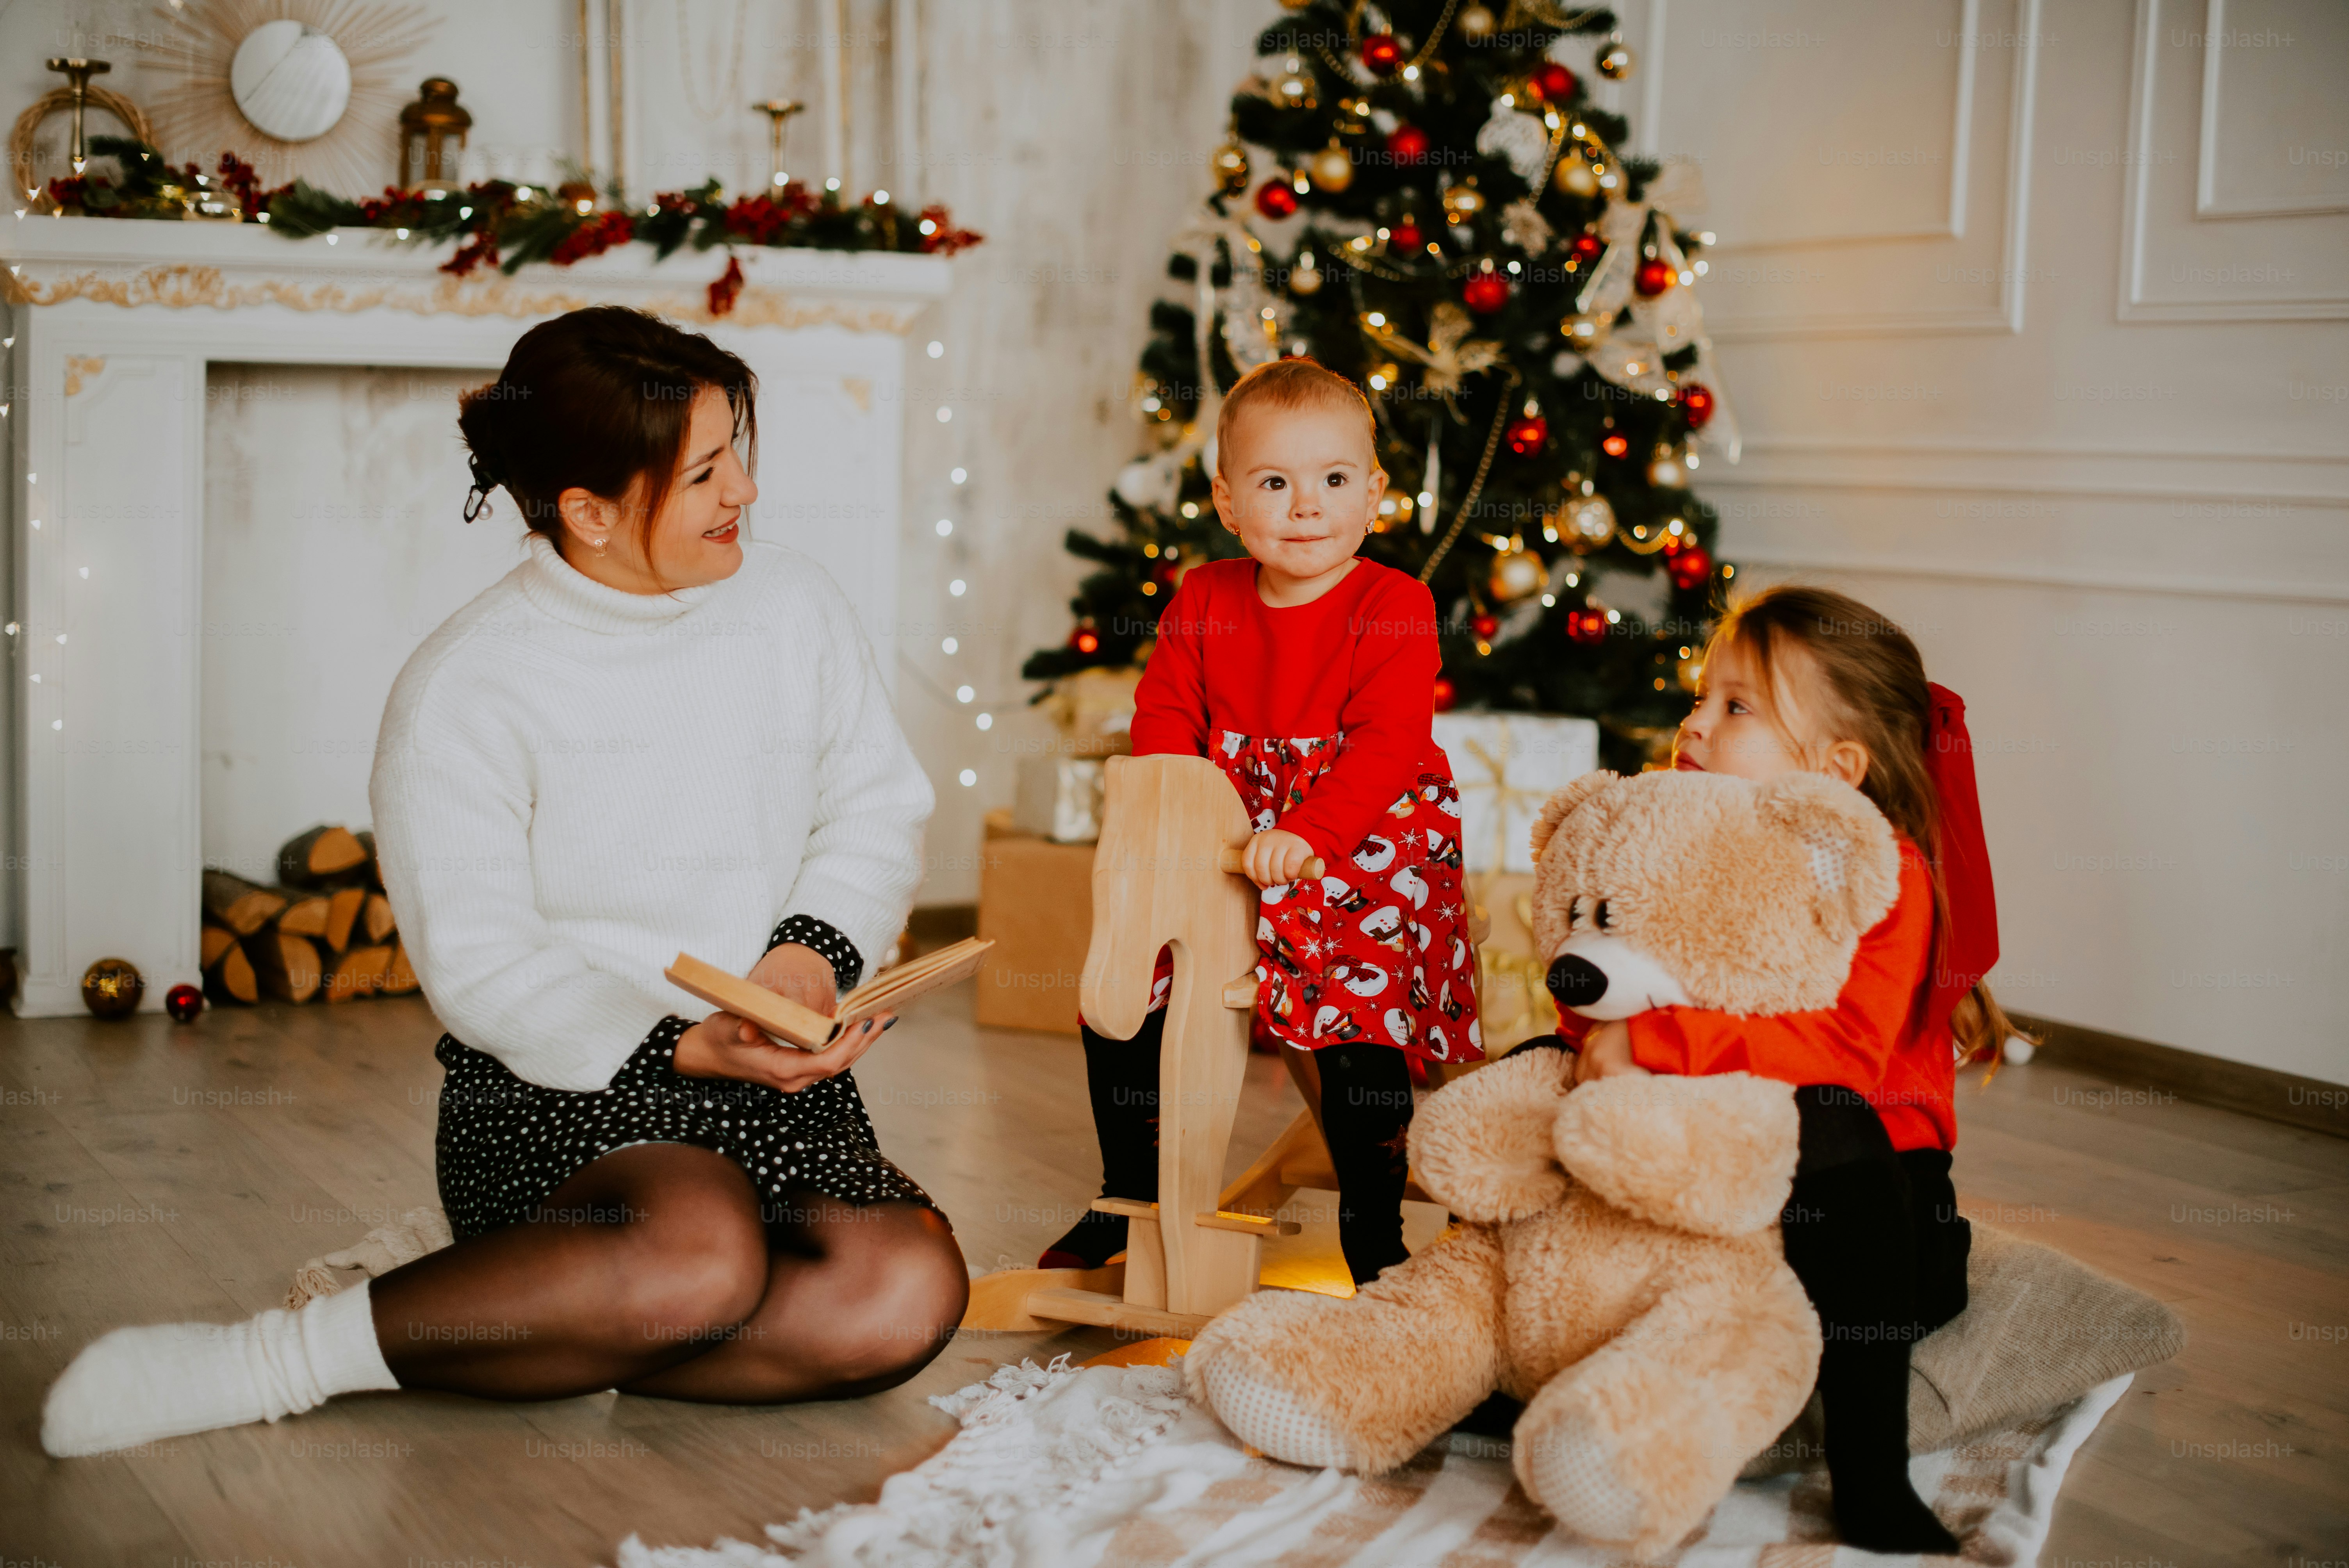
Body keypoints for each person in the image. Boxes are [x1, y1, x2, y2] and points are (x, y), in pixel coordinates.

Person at [42, 306, 965, 1458]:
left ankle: (559, 1328)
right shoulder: (464, 689)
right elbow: (482, 961)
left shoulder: (796, 607)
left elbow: (874, 807)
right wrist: (680, 1044)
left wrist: (801, 961)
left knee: (907, 1292)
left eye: (741, 455)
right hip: (562, 1089)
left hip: (769, 1076)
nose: (746, 493)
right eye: (706, 473)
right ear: (586, 510)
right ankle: (280, 1359)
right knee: (698, 1254)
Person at [1559, 583, 2018, 1554]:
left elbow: (1843, 1059)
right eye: (1700, 695)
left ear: (1834, 767)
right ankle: (1506, 1349)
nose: (1692, 723)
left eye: (1735, 709)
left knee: (1833, 1124)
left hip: (1871, 1187)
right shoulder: (1684, 841)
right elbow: (1605, 970)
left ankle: (1870, 1475)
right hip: (1719, 1158)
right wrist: (1597, 1031)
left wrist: (1655, 1042)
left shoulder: (1882, 874)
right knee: (1535, 1082)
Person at [1038, 357, 1481, 1288]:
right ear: (1229, 502)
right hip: (1223, 831)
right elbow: (1164, 716)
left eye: (1332, 480)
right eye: (1274, 483)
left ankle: (1375, 1230)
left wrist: (1309, 835)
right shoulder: (1206, 598)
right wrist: (1177, 805)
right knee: (1124, 990)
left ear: (1374, 496)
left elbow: (1387, 746)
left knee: (1357, 1021)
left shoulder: (1391, 603)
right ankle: (1130, 1191)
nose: (1305, 505)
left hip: (1354, 838)